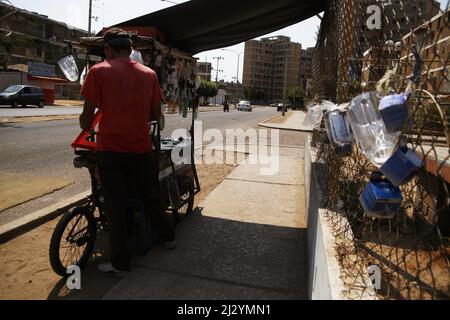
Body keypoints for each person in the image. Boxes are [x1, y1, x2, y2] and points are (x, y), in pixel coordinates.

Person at [79, 28, 175, 274]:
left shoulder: (98, 71)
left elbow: (86, 118)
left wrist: (92, 119)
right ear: (130, 50)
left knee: (115, 206)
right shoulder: (149, 74)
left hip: (110, 151)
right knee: (150, 196)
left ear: (108, 50)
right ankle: (168, 237)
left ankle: (121, 263)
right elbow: (156, 115)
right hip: (141, 150)